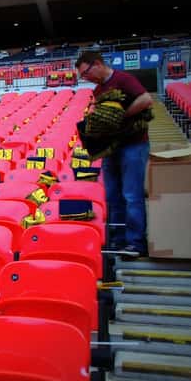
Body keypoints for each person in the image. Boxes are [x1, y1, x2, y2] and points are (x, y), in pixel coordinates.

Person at [75, 51, 153, 256]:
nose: (85, 78)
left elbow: (146, 99)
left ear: (97, 64)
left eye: (86, 73)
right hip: (112, 148)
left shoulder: (123, 79)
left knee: (131, 195)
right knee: (113, 196)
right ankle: (118, 241)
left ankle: (135, 243)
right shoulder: (99, 89)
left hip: (133, 145)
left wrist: (121, 116)